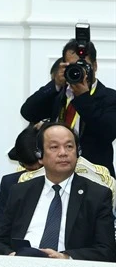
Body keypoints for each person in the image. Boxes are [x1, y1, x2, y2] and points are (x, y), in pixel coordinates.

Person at [0, 123, 116, 262]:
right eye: (54, 147)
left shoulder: (97, 195)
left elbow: (106, 251)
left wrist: (66, 257)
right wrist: (13, 257)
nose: (63, 153)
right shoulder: (20, 192)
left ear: (78, 152)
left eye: (69, 146)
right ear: (40, 155)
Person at [20, 40, 116, 176]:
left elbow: (108, 132)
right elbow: (28, 112)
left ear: (94, 66)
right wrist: (55, 84)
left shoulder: (110, 97)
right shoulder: (58, 94)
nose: (79, 70)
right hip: (56, 173)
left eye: (83, 66)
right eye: (72, 66)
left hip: (95, 177)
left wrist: (83, 97)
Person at [0, 123, 42, 228]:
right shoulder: (10, 183)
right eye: (28, 169)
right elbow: (1, 227)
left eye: (39, 168)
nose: (33, 173)